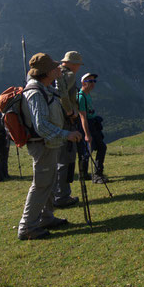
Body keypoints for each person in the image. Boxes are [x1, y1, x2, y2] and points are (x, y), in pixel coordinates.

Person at [17, 53, 83, 240]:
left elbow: (61, 98)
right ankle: (27, 226)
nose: (58, 69)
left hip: (48, 143)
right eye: (54, 68)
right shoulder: (35, 93)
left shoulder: (44, 88)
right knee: (41, 184)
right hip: (42, 144)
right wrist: (66, 134)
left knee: (48, 182)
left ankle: (46, 217)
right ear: (46, 72)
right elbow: (41, 125)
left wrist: (60, 81)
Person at [52, 51, 84, 208]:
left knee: (58, 159)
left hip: (55, 122)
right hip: (66, 121)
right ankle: (62, 196)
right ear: (72, 64)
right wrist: (70, 112)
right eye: (78, 64)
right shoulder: (69, 75)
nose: (78, 67)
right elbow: (63, 96)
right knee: (66, 159)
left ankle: (56, 194)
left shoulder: (55, 74)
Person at [77, 72, 109, 184]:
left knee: (88, 150)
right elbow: (83, 117)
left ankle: (84, 174)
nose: (92, 84)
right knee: (99, 148)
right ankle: (97, 175)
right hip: (88, 126)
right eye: (89, 81)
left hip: (92, 124)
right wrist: (87, 134)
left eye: (94, 81)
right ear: (83, 82)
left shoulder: (87, 95)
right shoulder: (81, 97)